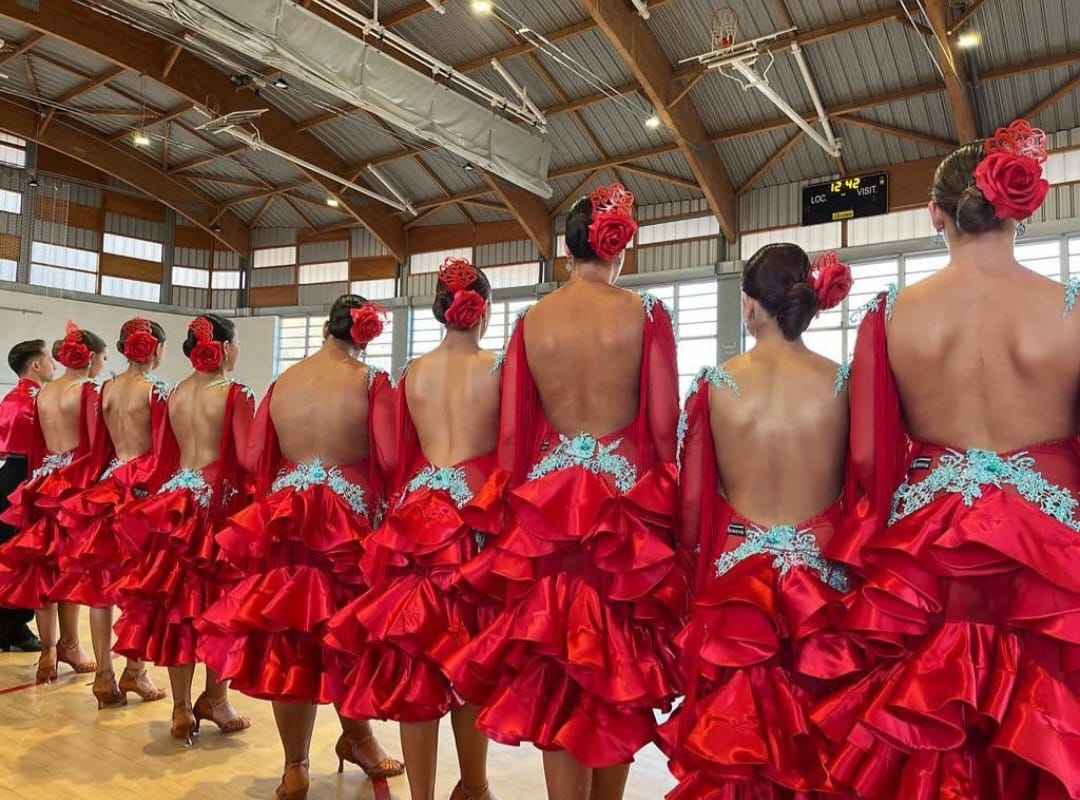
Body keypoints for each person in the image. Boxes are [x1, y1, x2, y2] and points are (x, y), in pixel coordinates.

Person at [812, 120, 1080, 799]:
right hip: (1052, 555)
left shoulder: (893, 313)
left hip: (928, 554)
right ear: (1021, 206)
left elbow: (870, 455)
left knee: (935, 738)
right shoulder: (1071, 310)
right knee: (1045, 733)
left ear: (935, 213)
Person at [445, 184, 684, 800]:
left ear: (568, 252)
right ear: (618, 247)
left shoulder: (531, 321)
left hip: (550, 511)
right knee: (614, 668)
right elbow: (662, 428)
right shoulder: (646, 313)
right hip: (622, 511)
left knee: (561, 670)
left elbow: (514, 435)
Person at [656, 244, 858, 798]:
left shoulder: (717, 387)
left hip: (736, 588)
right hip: (822, 589)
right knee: (819, 749)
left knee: (736, 751)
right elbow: (863, 489)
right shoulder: (843, 383)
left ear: (749, 306)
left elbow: (693, 509)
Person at [195, 296, 403, 800]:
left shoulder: (282, 383)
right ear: (365, 332)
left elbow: (251, 456)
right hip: (344, 527)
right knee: (348, 637)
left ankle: (296, 766)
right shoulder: (369, 382)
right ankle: (360, 739)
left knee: (290, 643)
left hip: (286, 520)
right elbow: (393, 455)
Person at [326, 261, 502, 800]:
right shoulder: (498, 367)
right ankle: (473, 785)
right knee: (472, 654)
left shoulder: (413, 372)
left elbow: (398, 456)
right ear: (483, 310)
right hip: (474, 517)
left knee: (415, 660)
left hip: (418, 518)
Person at [111, 314, 253, 745]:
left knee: (180, 607)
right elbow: (247, 457)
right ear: (225, 348)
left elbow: (165, 456)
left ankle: (180, 707)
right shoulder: (234, 392)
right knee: (218, 606)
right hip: (218, 503)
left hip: (177, 501)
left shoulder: (173, 393)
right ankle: (216, 699)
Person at [56, 318, 170, 708]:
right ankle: (135, 671)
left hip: (108, 489)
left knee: (102, 589)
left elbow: (97, 446)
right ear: (155, 350)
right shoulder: (156, 390)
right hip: (143, 492)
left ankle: (104, 674)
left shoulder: (105, 389)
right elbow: (163, 450)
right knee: (141, 588)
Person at [0, 324, 108, 684]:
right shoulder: (88, 390)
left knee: (43, 566)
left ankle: (48, 651)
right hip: (74, 484)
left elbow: (32, 447)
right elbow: (95, 446)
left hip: (42, 482)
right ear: (90, 358)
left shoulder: (41, 395)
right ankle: (71, 644)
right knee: (72, 568)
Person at [0, 340, 52, 653]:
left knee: (8, 552)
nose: (53, 364)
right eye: (48, 358)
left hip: (9, 477)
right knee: (20, 555)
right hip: (25, 480)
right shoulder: (36, 402)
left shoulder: (10, 398)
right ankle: (13, 628)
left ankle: (11, 627)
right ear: (35, 365)